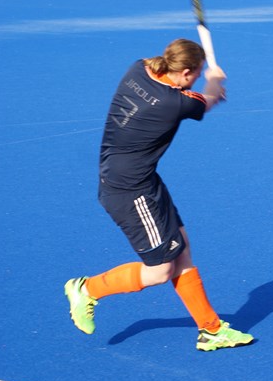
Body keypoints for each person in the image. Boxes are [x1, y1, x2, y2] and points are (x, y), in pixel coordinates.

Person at [64, 39, 254, 351]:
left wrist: (207, 79)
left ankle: (211, 330)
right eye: (197, 73)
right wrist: (215, 81)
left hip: (142, 179)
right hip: (130, 192)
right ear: (187, 72)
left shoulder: (138, 69)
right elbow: (206, 101)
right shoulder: (174, 103)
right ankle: (87, 289)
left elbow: (185, 91)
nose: (198, 77)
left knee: (182, 250)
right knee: (161, 270)